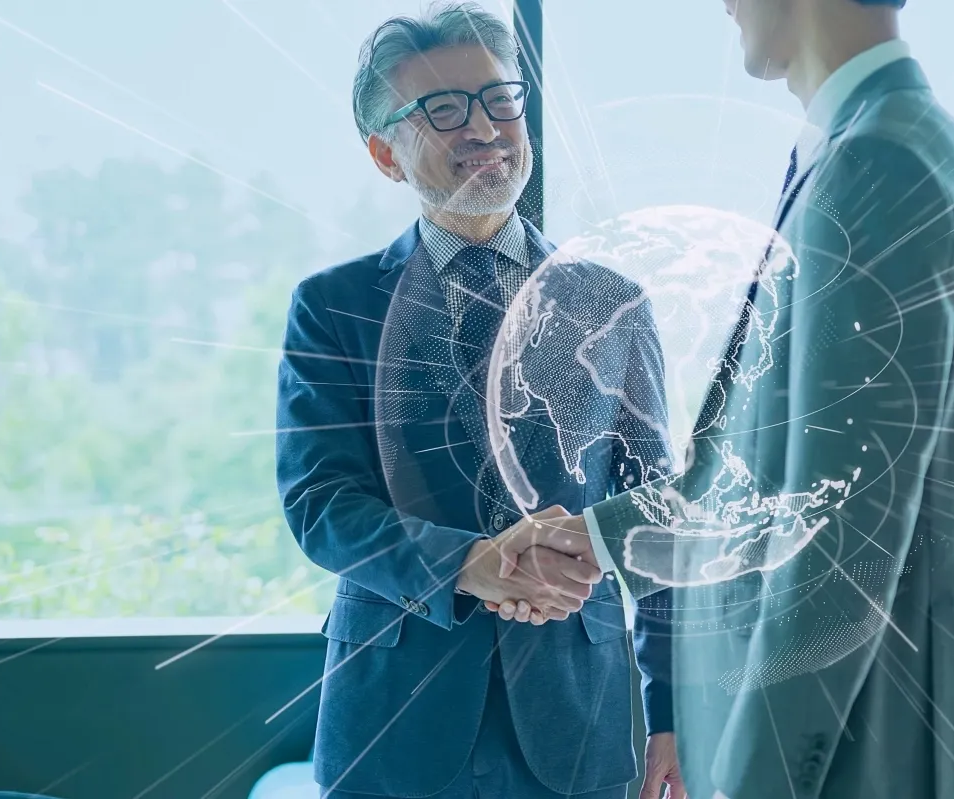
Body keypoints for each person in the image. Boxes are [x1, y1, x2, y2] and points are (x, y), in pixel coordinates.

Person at [489, 0, 954, 796]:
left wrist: (758, 783)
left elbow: (838, 544)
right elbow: (760, 477)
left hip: (860, 762)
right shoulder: (874, 144)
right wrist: (596, 533)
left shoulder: (879, 162)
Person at [274, 4, 678, 798]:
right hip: (393, 722)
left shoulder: (615, 301)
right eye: (443, 109)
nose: (484, 127)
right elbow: (321, 503)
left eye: (500, 99)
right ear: (385, 153)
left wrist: (672, 711)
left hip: (580, 718)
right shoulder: (333, 304)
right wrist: (470, 563)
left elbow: (657, 516)